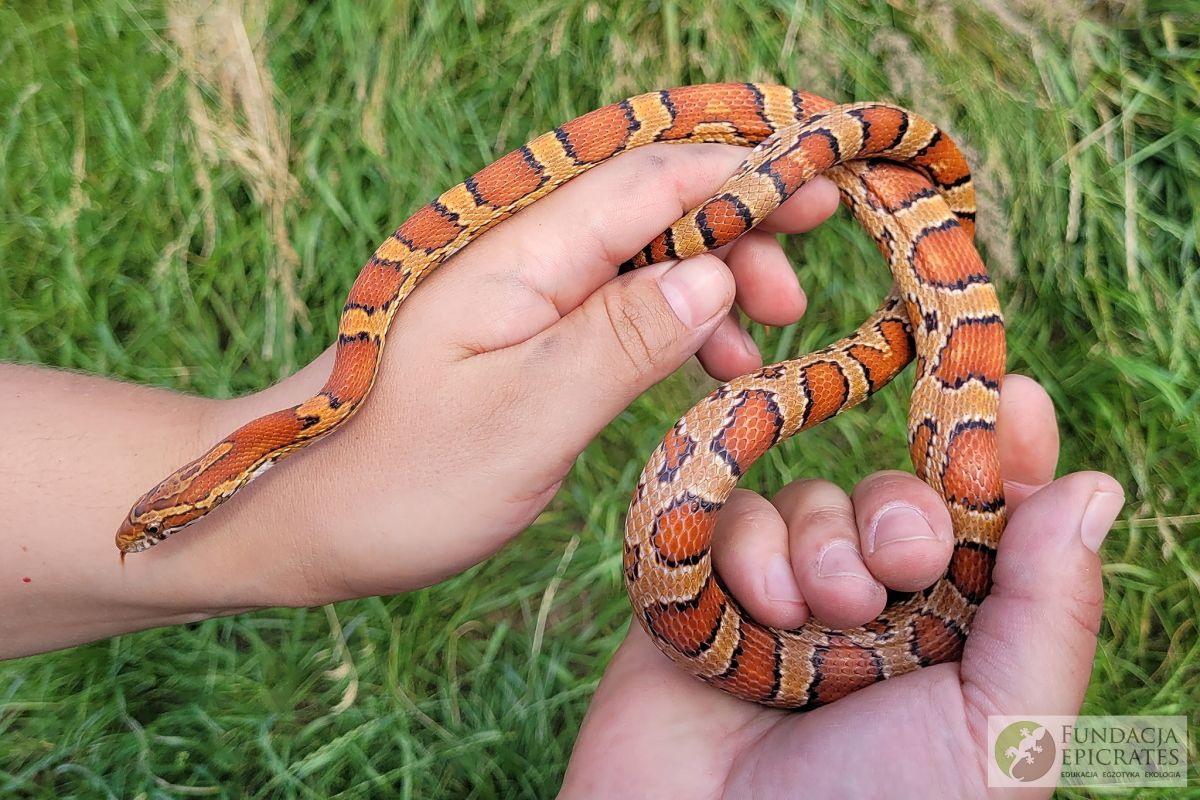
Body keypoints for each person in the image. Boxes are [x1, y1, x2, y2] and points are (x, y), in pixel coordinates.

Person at [0, 141, 1122, 797]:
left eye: (161, 520)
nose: (150, 530)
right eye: (164, 526)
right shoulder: (329, 402)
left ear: (215, 478)